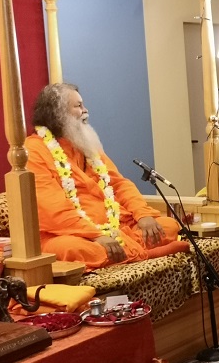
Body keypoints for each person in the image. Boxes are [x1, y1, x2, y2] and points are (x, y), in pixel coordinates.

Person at [25, 83, 182, 269]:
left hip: (115, 225)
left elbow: (119, 184)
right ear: (58, 113)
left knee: (168, 225)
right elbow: (53, 209)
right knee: (73, 250)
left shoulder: (85, 144)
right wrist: (95, 235)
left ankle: (124, 251)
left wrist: (143, 215)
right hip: (69, 233)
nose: (86, 110)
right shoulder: (33, 150)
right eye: (78, 106)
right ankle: (142, 252)